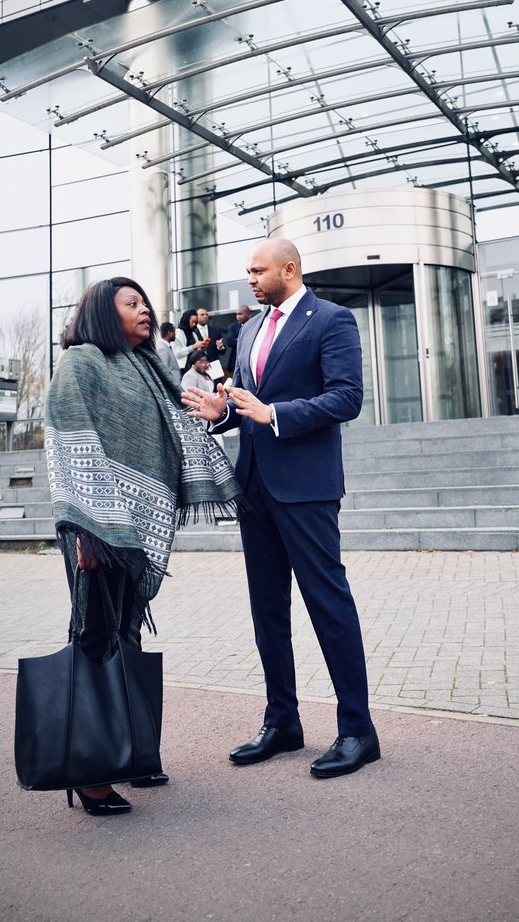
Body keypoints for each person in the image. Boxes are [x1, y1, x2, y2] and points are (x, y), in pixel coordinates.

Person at [182, 238, 379, 779]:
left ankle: (358, 730)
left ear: (289, 269)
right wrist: (222, 411)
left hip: (307, 487)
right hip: (255, 488)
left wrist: (274, 413)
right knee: (267, 610)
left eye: (257, 269)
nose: (249, 278)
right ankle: (283, 721)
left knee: (327, 603)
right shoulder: (247, 330)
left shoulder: (332, 320)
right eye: (247, 270)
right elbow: (244, 403)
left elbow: (347, 397)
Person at [45, 277, 242, 816]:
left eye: (145, 303)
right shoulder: (82, 362)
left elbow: (177, 427)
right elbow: (69, 442)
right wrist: (89, 527)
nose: (145, 311)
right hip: (100, 526)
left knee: (127, 630)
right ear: (103, 314)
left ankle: (131, 749)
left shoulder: (152, 367)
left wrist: (218, 410)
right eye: (130, 304)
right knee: (96, 634)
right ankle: (90, 770)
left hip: (137, 527)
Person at [224, 304, 252, 374]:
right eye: (236, 314)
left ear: (247, 314)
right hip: (236, 362)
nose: (237, 317)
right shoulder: (233, 326)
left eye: (240, 314)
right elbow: (229, 341)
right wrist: (247, 339)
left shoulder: (254, 325)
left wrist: (237, 339)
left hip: (251, 361)